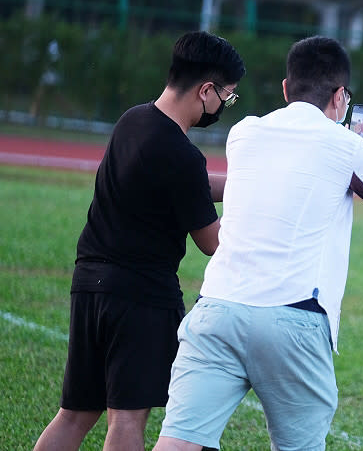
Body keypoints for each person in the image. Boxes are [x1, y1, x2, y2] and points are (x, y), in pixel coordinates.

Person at [153, 35, 363, 451]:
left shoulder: (244, 131)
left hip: (218, 307)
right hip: (296, 316)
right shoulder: (348, 144)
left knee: (177, 443)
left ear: (286, 89)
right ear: (341, 97)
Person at [33, 31, 246, 451]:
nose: (224, 105)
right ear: (206, 91)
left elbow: (188, 185)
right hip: (140, 297)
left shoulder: (134, 120)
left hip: (90, 283)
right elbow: (213, 241)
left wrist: (250, 183)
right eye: (227, 96)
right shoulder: (182, 155)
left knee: (75, 414)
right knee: (127, 418)